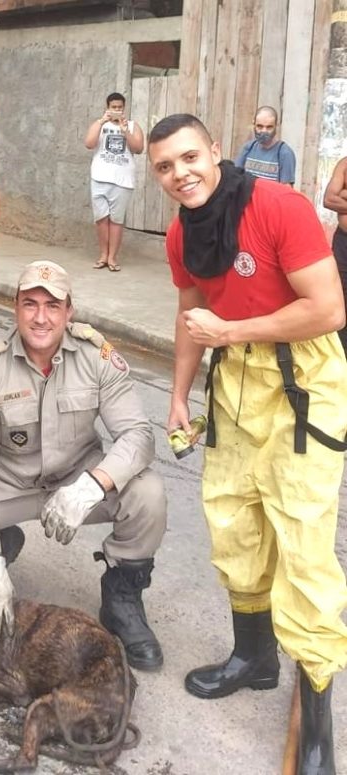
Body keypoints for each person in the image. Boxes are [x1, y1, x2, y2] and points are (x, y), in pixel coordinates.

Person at [148, 113, 347, 774]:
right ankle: (254, 656)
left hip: (301, 383)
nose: (180, 174)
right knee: (233, 522)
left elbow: (327, 308)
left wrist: (231, 334)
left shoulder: (279, 205)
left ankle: (316, 713)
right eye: (165, 168)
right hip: (233, 386)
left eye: (188, 158)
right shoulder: (182, 233)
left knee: (302, 543)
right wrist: (179, 394)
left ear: (214, 151)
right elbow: (189, 311)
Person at [0, 260, 168, 672]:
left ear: (69, 311)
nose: (41, 317)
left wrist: (93, 485)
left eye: (52, 305)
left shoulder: (97, 357)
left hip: (77, 482)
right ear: (16, 308)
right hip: (6, 485)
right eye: (30, 304)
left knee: (148, 493)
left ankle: (122, 600)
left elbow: (139, 435)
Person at [84, 91, 144, 272]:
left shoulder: (133, 126)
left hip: (122, 179)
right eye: (113, 107)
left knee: (116, 220)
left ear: (124, 108)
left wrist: (125, 131)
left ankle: (112, 257)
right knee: (101, 218)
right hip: (100, 176)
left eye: (120, 107)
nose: (117, 110)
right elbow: (89, 143)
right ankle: (103, 254)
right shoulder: (99, 124)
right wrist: (102, 121)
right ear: (107, 108)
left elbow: (139, 148)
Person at [322, 155, 347, 356]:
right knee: (340, 296)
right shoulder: (344, 164)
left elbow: (337, 198)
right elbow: (329, 199)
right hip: (343, 244)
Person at [234, 105, 296, 185]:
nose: (264, 131)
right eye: (260, 126)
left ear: (276, 126)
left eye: (269, 127)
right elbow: (235, 179)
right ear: (254, 124)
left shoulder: (285, 153)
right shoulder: (248, 148)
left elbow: (286, 191)